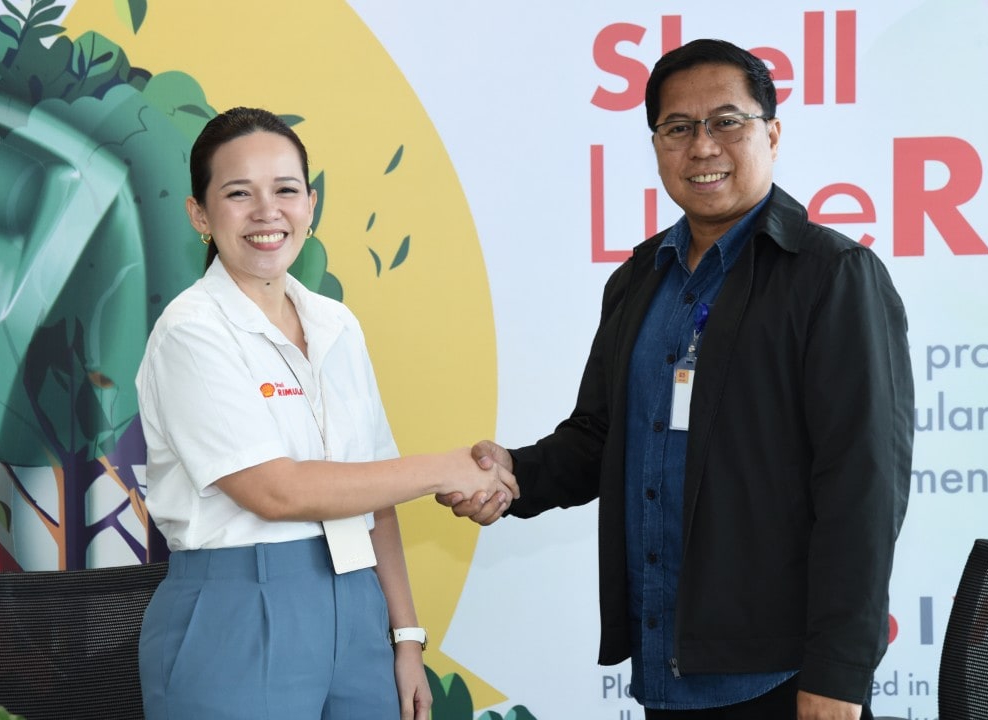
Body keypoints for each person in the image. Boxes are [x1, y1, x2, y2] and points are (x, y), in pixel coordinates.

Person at [441, 39, 913, 720]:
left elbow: (863, 490)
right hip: (664, 664)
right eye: (678, 128)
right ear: (657, 143)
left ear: (772, 134)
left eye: (727, 121)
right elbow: (599, 437)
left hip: (781, 677)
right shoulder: (639, 279)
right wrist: (511, 473)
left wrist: (839, 676)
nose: (702, 146)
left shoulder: (831, 276)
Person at [136, 106, 518, 720]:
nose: (267, 212)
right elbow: (276, 491)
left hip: (357, 607)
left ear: (309, 205)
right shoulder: (191, 332)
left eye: (285, 190)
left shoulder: (335, 324)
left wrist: (406, 638)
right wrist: (446, 469)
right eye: (239, 194)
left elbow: (373, 496)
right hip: (238, 613)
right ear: (200, 214)